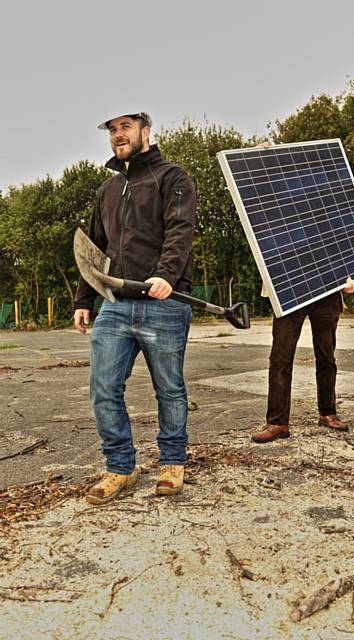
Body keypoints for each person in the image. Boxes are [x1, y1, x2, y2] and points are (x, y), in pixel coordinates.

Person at [74, 110, 196, 504]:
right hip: (115, 305)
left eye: (125, 127)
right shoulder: (108, 190)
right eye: (112, 129)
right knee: (103, 389)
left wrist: (167, 275)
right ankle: (119, 468)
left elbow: (180, 229)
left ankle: (172, 462)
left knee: (170, 389)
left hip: (164, 302)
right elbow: (94, 249)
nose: (117, 135)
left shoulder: (172, 177)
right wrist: (84, 300)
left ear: (146, 130)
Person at [251, 279, 354, 443]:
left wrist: (347, 277)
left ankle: (328, 413)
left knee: (326, 357)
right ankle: (277, 423)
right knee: (280, 359)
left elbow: (343, 254)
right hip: (288, 288)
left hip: (326, 291)